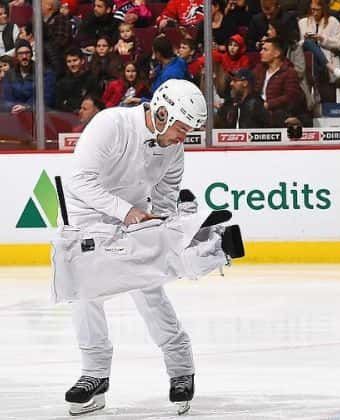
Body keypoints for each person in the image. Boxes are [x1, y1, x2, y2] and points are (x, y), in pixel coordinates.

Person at [59, 79, 236, 416]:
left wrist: (164, 229)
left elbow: (167, 197)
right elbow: (79, 181)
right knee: (85, 293)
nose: (185, 136)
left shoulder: (174, 148)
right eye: (183, 127)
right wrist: (125, 212)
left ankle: (181, 367)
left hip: (137, 217)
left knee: (149, 289)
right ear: (163, 112)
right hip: (87, 215)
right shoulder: (111, 125)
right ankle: (94, 375)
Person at [253, 37, 307, 127]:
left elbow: (291, 96)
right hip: (259, 110)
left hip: (278, 113)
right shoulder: (259, 69)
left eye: (265, 50)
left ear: (277, 53)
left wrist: (269, 104)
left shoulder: (289, 72)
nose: (261, 52)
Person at [298, 0, 340, 82]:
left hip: (327, 57)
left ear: (323, 9)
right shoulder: (302, 23)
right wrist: (305, 41)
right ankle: (332, 68)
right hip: (307, 60)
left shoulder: (333, 21)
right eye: (313, 9)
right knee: (308, 42)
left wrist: (323, 39)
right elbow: (296, 45)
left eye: (318, 10)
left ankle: (330, 68)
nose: (315, 13)